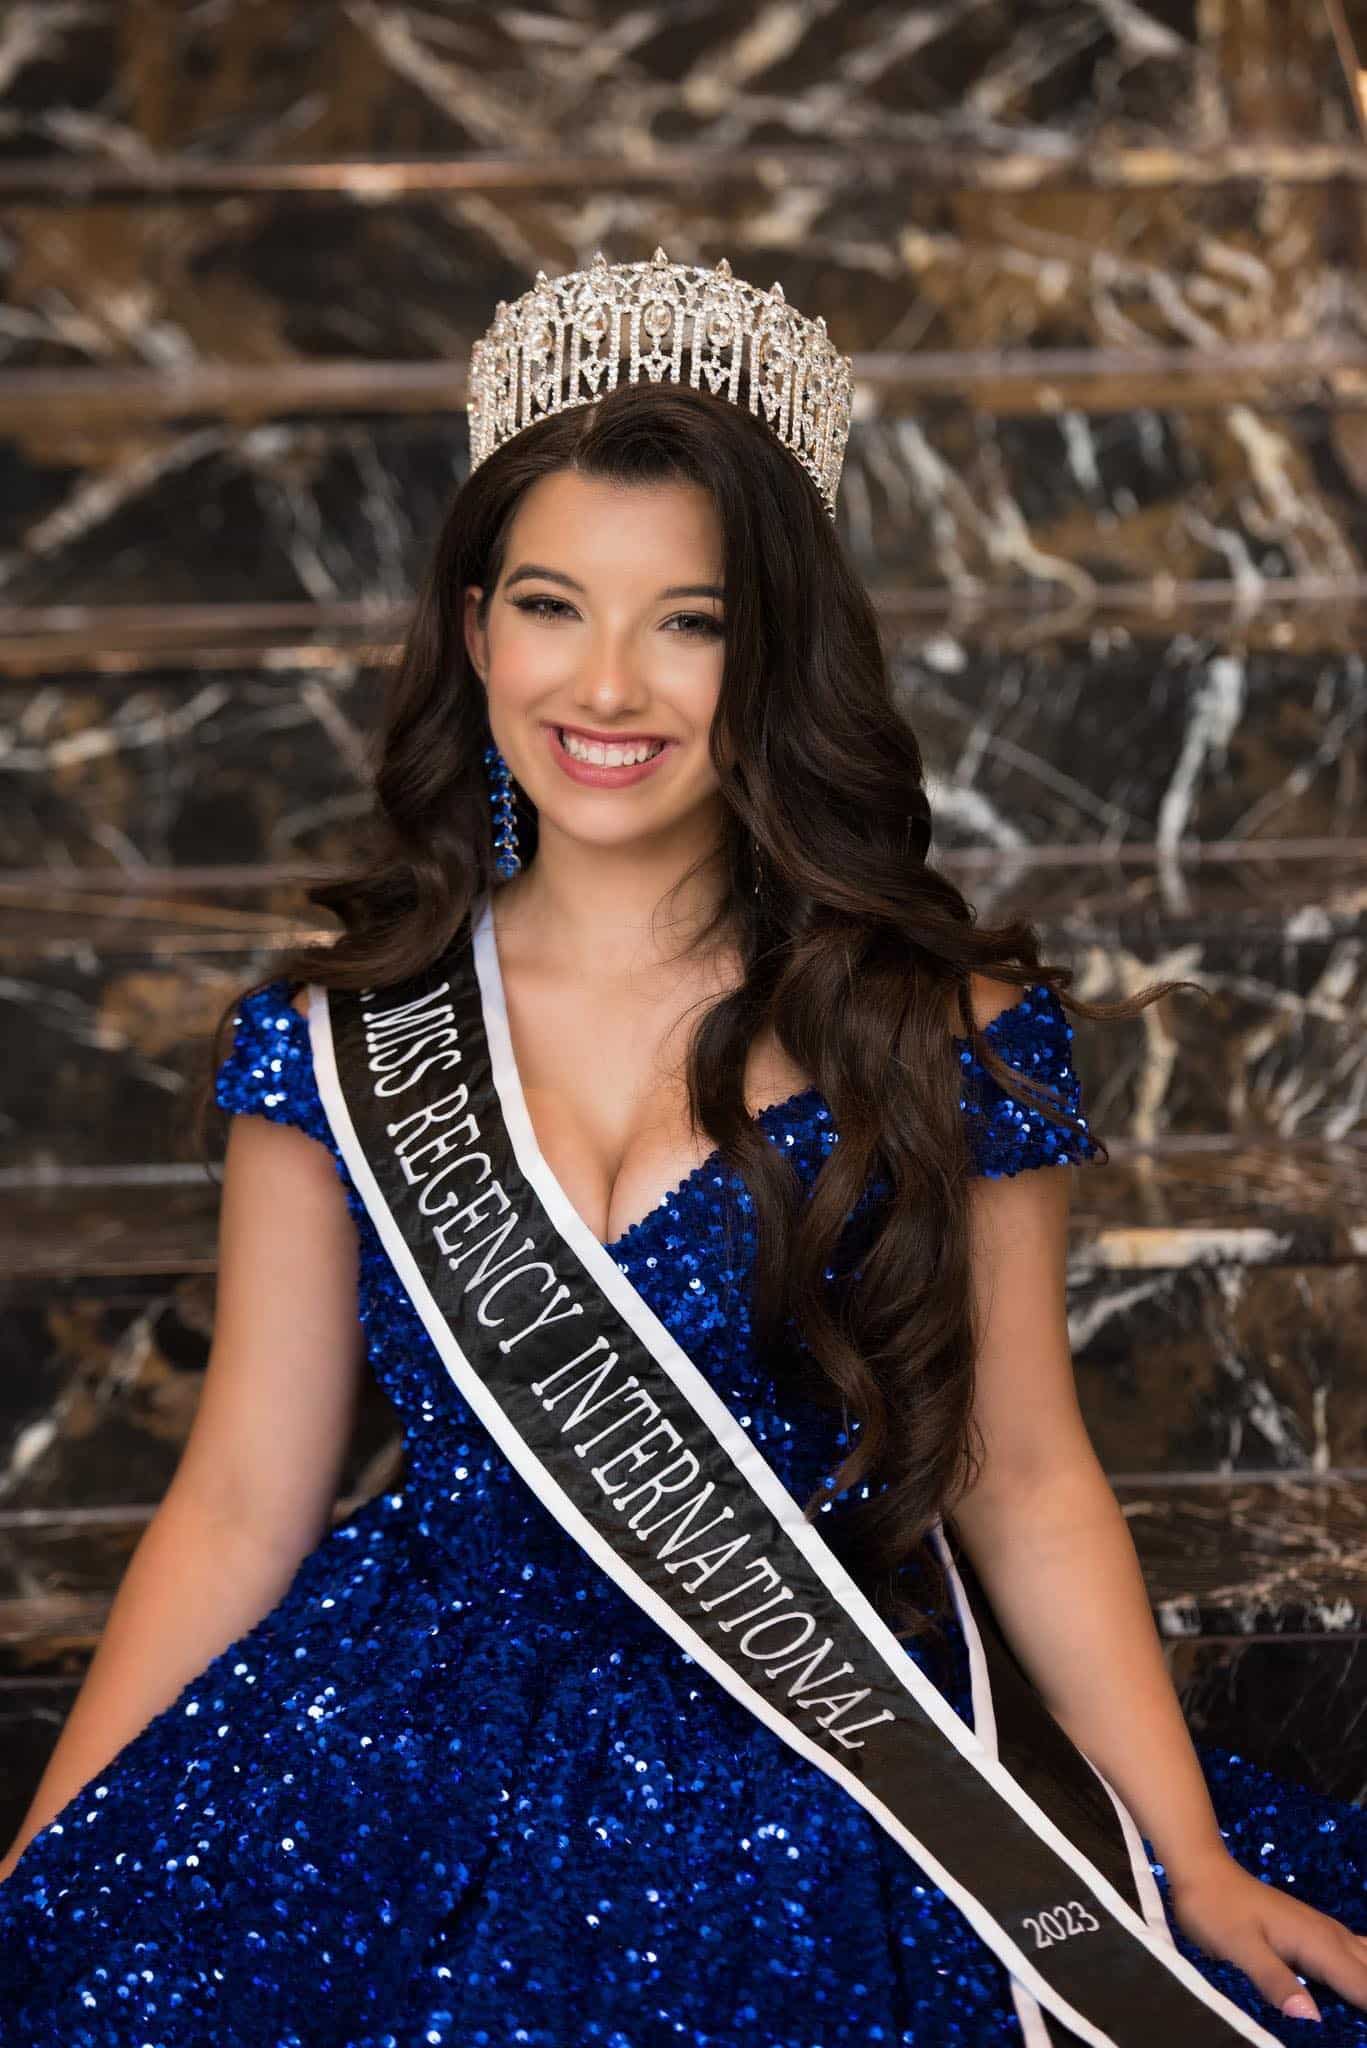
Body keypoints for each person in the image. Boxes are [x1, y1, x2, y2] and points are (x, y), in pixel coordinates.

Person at [0, 251, 1362, 2048]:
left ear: (776, 652)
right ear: (477, 631)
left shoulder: (932, 1026)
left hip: (823, 1753)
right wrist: (46, 1861)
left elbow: (1023, 1476)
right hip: (399, 1741)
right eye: (555, 606)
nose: (612, 683)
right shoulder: (340, 1036)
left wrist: (1182, 1855)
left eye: (692, 621)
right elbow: (244, 1499)